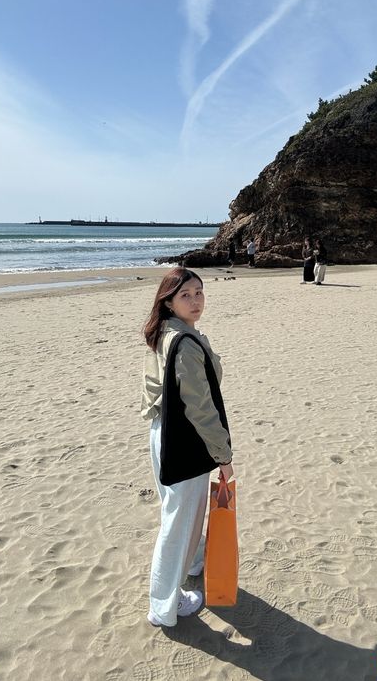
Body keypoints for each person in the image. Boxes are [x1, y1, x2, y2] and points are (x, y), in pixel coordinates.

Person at [141, 267, 233, 627]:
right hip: (185, 438)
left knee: (177, 513)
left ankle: (194, 562)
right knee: (178, 522)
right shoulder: (184, 343)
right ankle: (164, 606)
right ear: (168, 301)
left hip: (162, 432)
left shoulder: (163, 333)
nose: (195, 301)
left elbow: (152, 390)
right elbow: (201, 408)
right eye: (186, 295)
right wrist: (223, 456)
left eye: (199, 292)